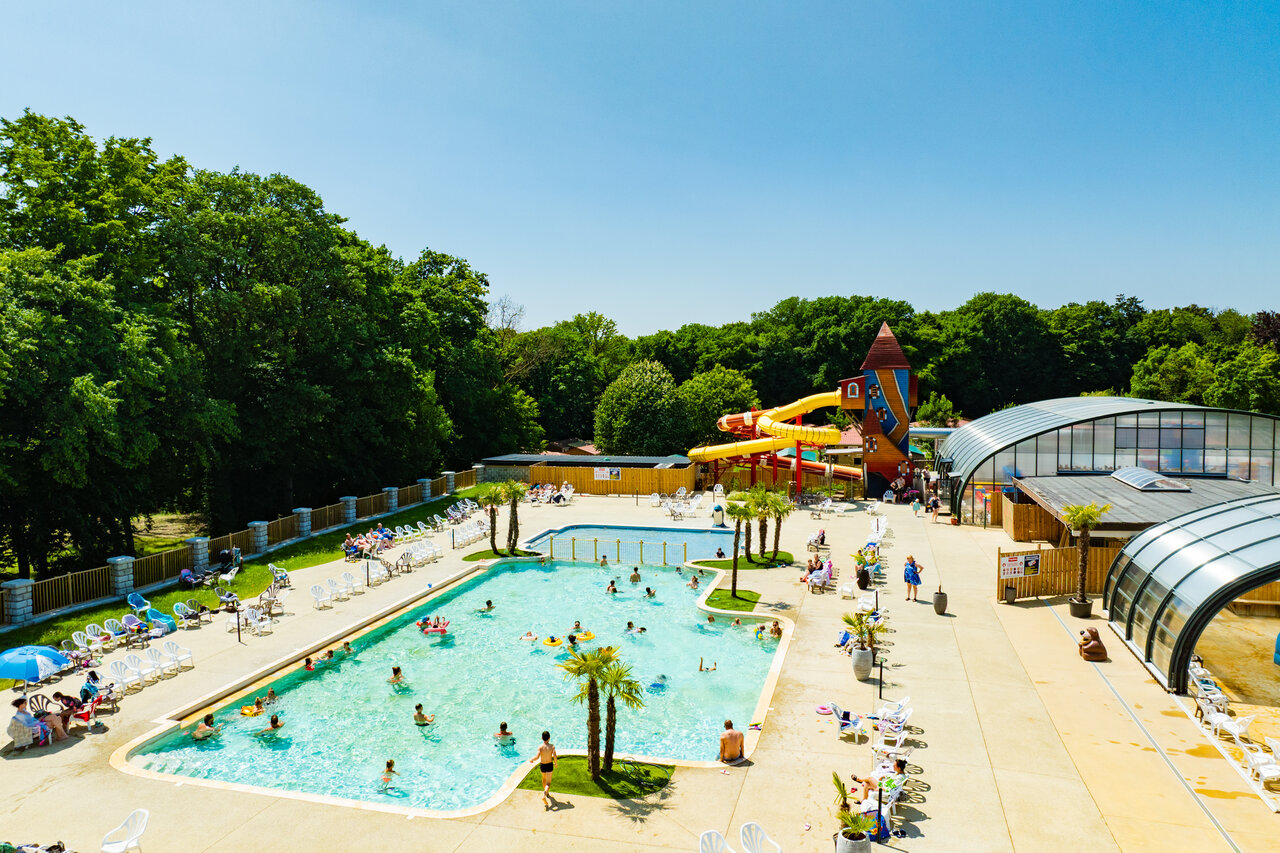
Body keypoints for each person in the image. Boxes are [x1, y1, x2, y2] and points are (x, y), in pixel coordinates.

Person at [530, 730, 558, 810]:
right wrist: (556, 763)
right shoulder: (552, 746)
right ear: (549, 738)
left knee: (544, 779)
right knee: (548, 783)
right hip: (549, 765)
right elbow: (555, 756)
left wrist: (532, 759)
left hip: (543, 766)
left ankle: (546, 792)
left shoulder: (540, 747)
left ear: (542, 738)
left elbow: (537, 757)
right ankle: (544, 795)